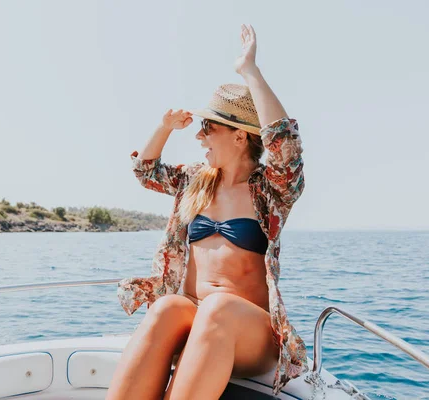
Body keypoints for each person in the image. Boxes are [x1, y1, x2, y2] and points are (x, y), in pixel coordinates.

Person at [106, 24, 308, 399]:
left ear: (239, 135)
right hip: (195, 318)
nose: (199, 136)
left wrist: (250, 71)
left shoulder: (270, 190)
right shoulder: (194, 181)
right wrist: (164, 128)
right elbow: (145, 171)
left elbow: (285, 146)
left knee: (218, 308)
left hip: (248, 333)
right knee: (166, 307)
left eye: (207, 127)